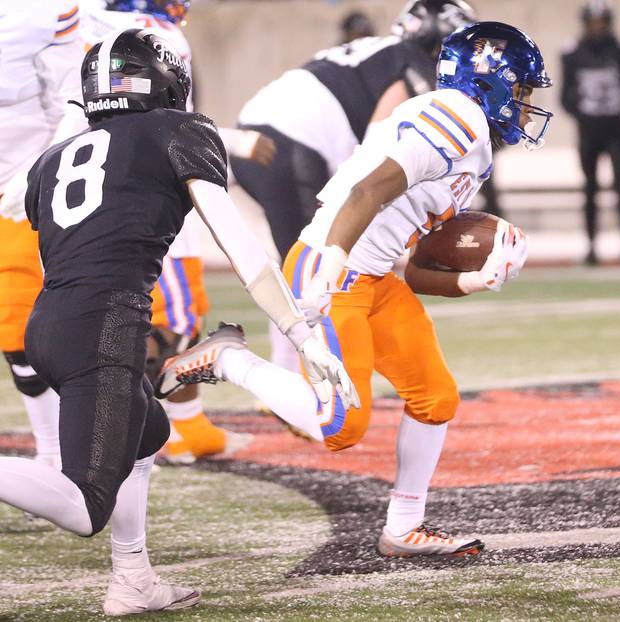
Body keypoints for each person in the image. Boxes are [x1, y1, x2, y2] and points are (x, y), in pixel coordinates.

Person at [0, 29, 356, 615]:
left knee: (149, 435)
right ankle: (126, 574)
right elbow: (240, 246)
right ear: (161, 81)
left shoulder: (52, 159)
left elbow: (61, 254)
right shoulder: (180, 130)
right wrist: (300, 332)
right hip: (102, 326)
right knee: (86, 505)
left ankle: (133, 578)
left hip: (54, 323)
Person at [159, 21, 544, 558]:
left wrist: (474, 278)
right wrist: (330, 265)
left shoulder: (474, 146)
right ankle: (227, 358)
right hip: (335, 268)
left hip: (377, 276)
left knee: (435, 399)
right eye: (523, 91)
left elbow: (412, 270)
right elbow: (368, 190)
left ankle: (404, 528)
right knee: (338, 425)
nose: (527, 108)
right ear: (494, 84)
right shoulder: (460, 117)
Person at [231, 0, 475, 375]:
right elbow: (382, 143)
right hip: (292, 146)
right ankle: (284, 378)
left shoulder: (380, 49)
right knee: (313, 269)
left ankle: (286, 371)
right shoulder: (410, 62)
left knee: (300, 262)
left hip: (259, 133)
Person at [81, 0, 277, 464]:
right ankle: (140, 434)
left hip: (108, 188)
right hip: (146, 190)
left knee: (176, 318)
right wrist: (231, 140)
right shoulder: (146, 34)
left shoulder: (93, 25)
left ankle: (186, 427)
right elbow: (150, 119)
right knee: (170, 322)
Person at [0, 1, 87, 487]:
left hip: (23, 185)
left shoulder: (38, 11)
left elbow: (76, 97)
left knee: (19, 324)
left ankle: (56, 453)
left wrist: (41, 170)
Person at [561, 0, 620, 266]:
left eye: (601, 23)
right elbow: (565, 96)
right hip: (589, 130)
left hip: (616, 128)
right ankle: (591, 245)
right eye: (592, 23)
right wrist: (585, 112)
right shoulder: (573, 52)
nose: (597, 29)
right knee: (590, 188)